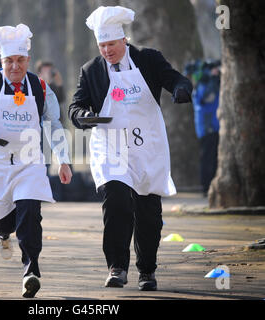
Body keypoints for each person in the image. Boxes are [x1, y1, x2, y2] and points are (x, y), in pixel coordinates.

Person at [68, 6, 193, 291]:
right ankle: (117, 267)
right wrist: (83, 117)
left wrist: (180, 89)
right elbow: (75, 106)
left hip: (146, 147)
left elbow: (175, 78)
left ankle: (147, 270)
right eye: (102, 45)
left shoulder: (148, 60)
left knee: (149, 215)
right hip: (111, 148)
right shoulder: (91, 71)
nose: (107, 51)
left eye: (111, 44)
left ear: (124, 40)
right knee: (117, 200)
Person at [0, 24, 72, 298]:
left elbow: (54, 123)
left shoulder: (40, 86)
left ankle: (31, 269)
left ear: (27, 61)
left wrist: (64, 159)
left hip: (29, 161)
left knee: (30, 211)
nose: (14, 67)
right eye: (9, 61)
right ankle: (0, 232)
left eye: (20, 60)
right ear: (2, 61)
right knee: (6, 223)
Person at [188, 61, 220, 196]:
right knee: (208, 159)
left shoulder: (206, 85)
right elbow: (207, 98)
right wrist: (213, 78)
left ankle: (209, 187)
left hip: (212, 128)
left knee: (213, 158)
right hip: (208, 129)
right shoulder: (202, 87)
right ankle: (206, 188)